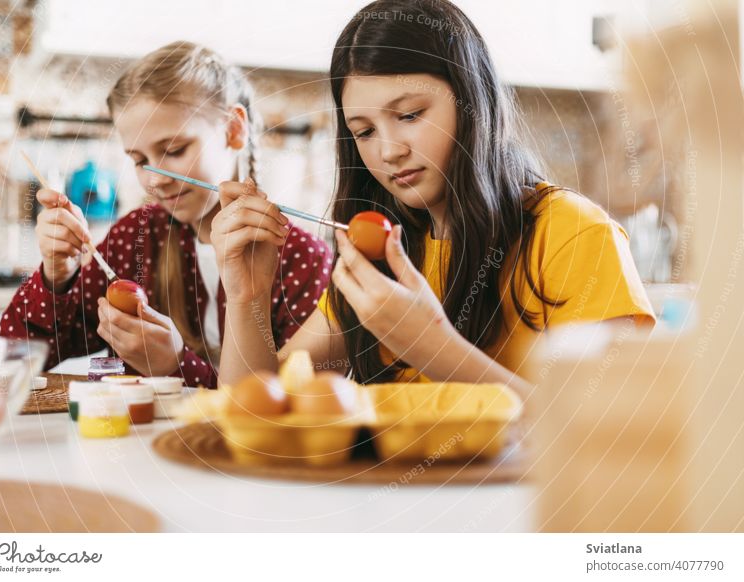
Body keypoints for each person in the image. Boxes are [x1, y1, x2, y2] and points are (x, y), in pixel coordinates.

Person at [214, 0, 655, 397]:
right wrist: (247, 295)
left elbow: (611, 437)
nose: (388, 151)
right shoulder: (379, 254)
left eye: (409, 115)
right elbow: (254, 406)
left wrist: (433, 347)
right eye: (364, 131)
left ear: (472, 101)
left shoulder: (572, 233)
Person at [0, 41, 332, 387]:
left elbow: (284, 410)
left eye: (174, 150)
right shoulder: (136, 238)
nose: (155, 179)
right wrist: (58, 276)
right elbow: (15, 353)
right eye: (139, 160)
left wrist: (175, 365)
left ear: (233, 130)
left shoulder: (300, 259)